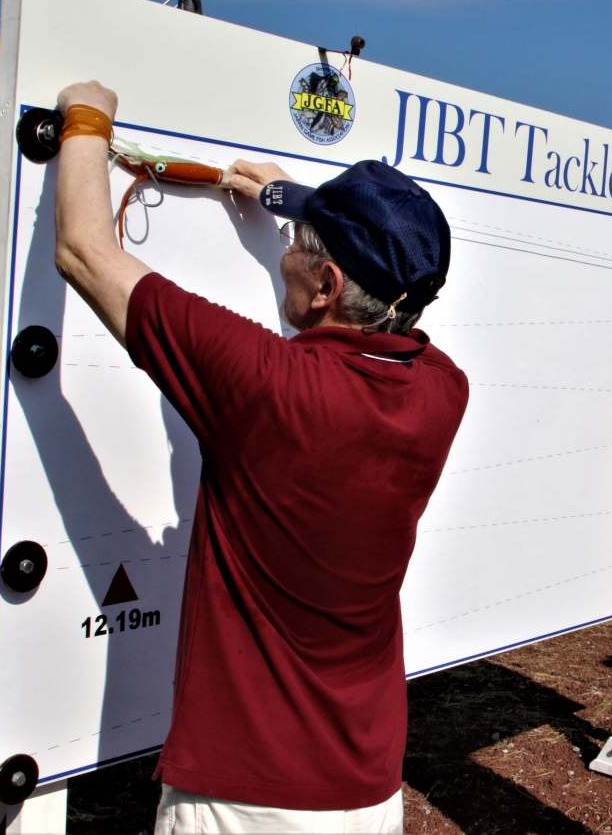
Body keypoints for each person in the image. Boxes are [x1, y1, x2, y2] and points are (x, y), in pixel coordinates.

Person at [51, 82, 468, 834]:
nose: (285, 256)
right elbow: (390, 281)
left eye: (297, 246)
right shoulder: (443, 388)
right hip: (367, 788)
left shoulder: (266, 382)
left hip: (246, 799)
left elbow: (83, 249)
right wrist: (290, 198)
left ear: (326, 284)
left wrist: (85, 113)